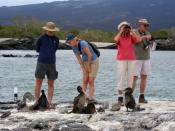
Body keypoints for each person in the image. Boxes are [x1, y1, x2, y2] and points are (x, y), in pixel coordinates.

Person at [66, 34, 99, 102]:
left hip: (93, 61)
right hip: (85, 62)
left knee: (90, 80)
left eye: (69, 42)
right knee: (84, 80)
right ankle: (82, 97)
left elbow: (89, 55)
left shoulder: (83, 43)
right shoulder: (73, 47)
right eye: (68, 43)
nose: (69, 44)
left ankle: (90, 98)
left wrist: (89, 66)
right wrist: (83, 68)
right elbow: (79, 59)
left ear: (74, 40)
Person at [114, 21, 141, 105]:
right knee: (121, 77)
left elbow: (139, 40)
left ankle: (128, 97)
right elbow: (115, 40)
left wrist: (132, 31)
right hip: (121, 59)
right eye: (124, 27)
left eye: (127, 27)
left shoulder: (131, 37)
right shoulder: (119, 37)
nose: (126, 29)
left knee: (130, 78)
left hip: (131, 59)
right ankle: (120, 97)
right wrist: (121, 31)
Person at [34, 21, 59, 106]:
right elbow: (37, 49)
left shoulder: (56, 39)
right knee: (38, 82)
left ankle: (50, 102)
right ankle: (37, 101)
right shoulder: (41, 38)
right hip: (41, 62)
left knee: (51, 83)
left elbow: (54, 49)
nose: (50, 32)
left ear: (54, 31)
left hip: (52, 63)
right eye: (49, 30)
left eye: (52, 31)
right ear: (46, 30)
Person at [132, 19, 152, 103]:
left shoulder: (147, 33)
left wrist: (150, 41)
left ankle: (141, 97)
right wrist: (144, 37)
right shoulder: (134, 32)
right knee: (134, 77)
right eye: (145, 25)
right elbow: (137, 40)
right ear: (140, 25)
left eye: (147, 25)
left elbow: (150, 38)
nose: (146, 27)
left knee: (144, 77)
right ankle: (130, 97)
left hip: (146, 58)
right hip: (136, 58)